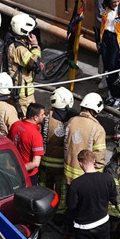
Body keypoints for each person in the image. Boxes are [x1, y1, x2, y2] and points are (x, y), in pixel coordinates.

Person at [65, 149, 117, 239]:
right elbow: (114, 198)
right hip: (103, 223)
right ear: (94, 161)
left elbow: (71, 207)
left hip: (84, 228)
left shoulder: (76, 185)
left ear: (80, 163)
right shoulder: (107, 179)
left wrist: (67, 229)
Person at [40, 87, 76, 216]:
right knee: (62, 191)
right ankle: (59, 215)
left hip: (44, 164)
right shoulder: (73, 120)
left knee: (44, 189)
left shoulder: (46, 117)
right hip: (62, 166)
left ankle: (44, 210)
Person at [64, 92, 107, 185]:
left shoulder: (71, 121)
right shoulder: (98, 129)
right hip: (86, 179)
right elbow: (99, 157)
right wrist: (97, 177)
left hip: (68, 176)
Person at [6, 13, 42, 115]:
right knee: (28, 118)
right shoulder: (19, 49)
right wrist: (35, 46)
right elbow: (35, 66)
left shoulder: (16, 43)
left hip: (20, 92)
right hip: (23, 95)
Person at [9, 103, 47, 185]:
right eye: (42, 114)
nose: (44, 116)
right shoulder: (36, 135)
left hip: (13, 169)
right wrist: (18, 169)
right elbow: (35, 163)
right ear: (35, 118)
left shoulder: (15, 125)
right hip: (28, 175)